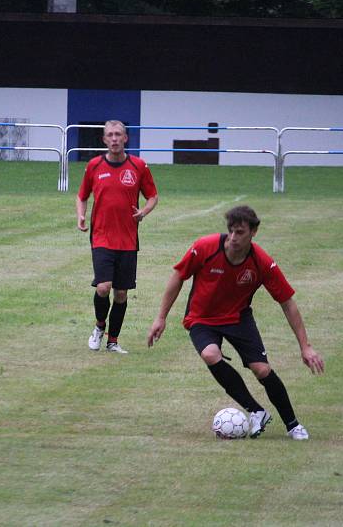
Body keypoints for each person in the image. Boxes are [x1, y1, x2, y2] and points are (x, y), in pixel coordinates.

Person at [147, 205, 324, 440]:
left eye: (240, 232)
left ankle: (293, 425)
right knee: (210, 354)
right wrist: (161, 317)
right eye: (230, 231)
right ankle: (256, 411)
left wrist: (305, 346)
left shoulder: (262, 263)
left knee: (262, 369)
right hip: (202, 318)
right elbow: (179, 276)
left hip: (238, 318)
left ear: (254, 232)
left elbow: (287, 303)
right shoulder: (205, 247)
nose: (233, 237)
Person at [76, 120, 159, 354]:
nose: (114, 139)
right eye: (110, 135)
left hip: (128, 240)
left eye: (118, 135)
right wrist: (81, 216)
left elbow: (153, 196)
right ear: (104, 140)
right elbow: (81, 195)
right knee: (103, 287)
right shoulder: (93, 166)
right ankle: (99, 326)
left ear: (126, 139)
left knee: (121, 293)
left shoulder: (138, 166)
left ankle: (113, 341)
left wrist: (143, 211)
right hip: (101, 237)